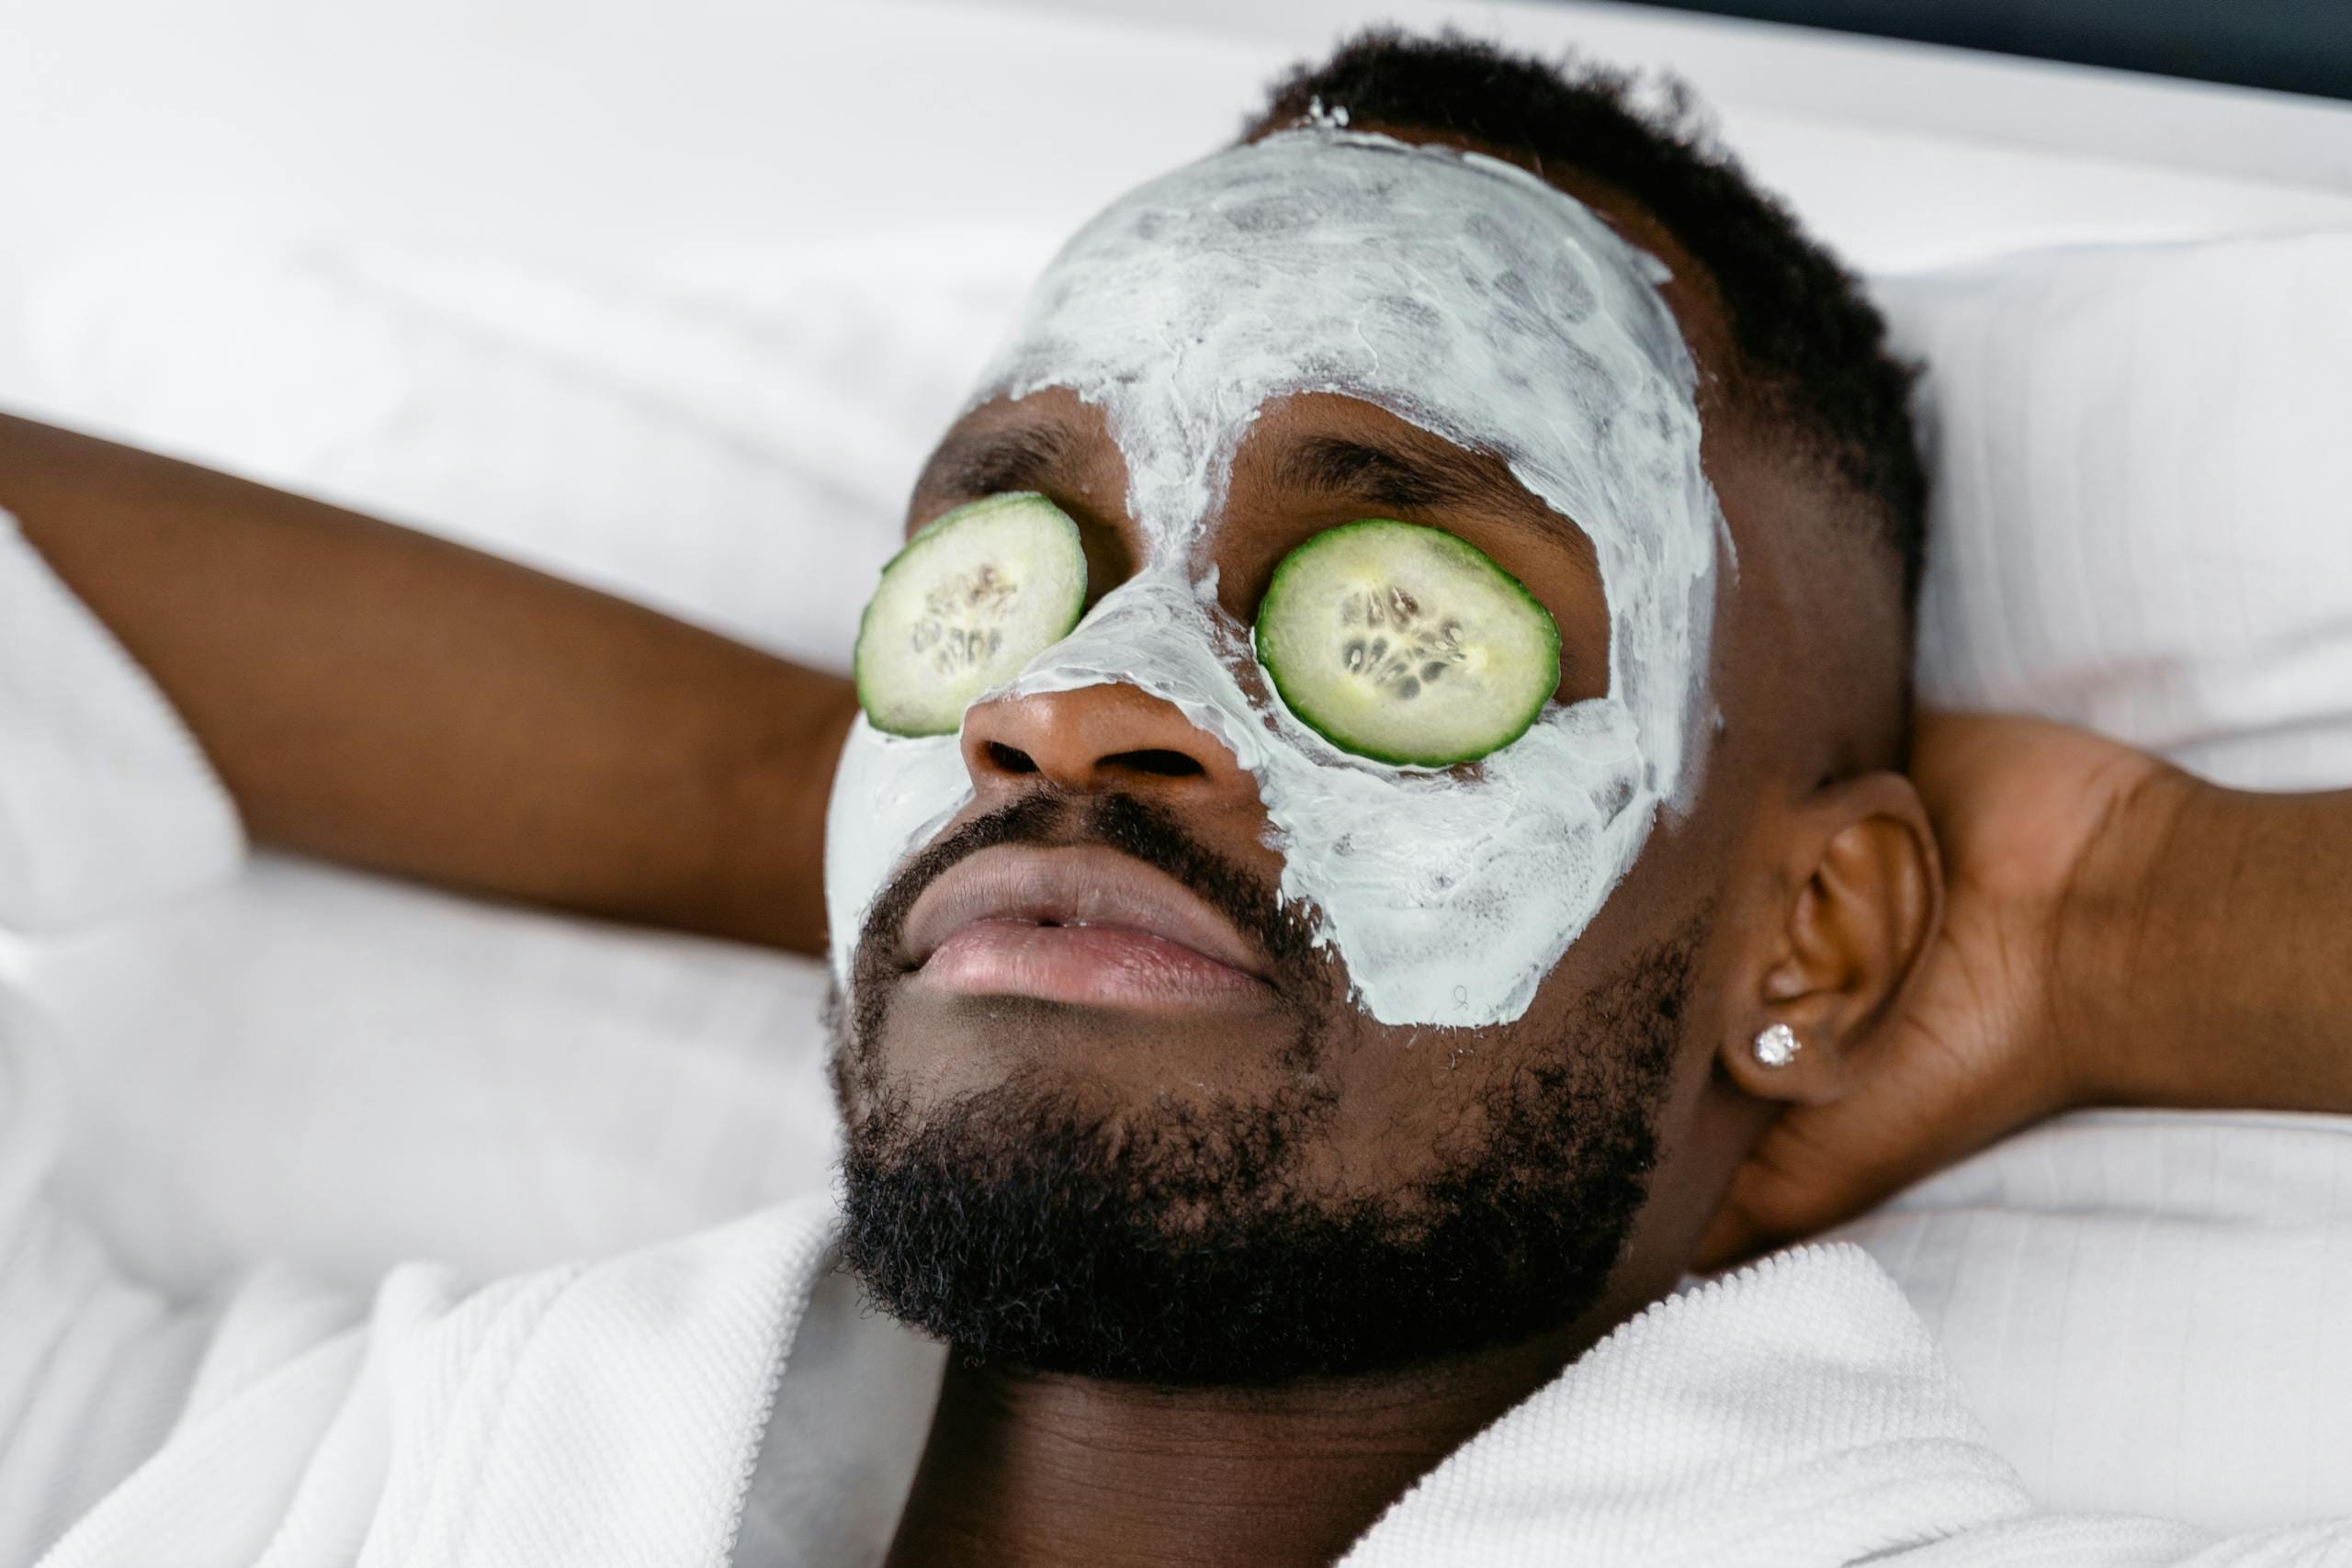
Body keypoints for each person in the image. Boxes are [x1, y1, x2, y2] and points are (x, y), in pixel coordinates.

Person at [4, 28, 2347, 1568]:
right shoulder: (291, 1490)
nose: (1058, 702)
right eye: (1008, 568)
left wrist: (2130, 923)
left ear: (1813, 931)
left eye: (1388, 591)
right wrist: (942, 838)